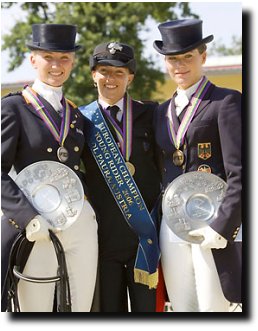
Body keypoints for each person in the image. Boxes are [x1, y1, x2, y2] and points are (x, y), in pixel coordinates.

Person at [1, 23, 98, 312]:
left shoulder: (76, 114)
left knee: (80, 308)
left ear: (73, 61)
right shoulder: (14, 108)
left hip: (77, 222)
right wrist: (27, 216)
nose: (57, 65)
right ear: (33, 60)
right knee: (36, 312)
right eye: (48, 57)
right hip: (37, 224)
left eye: (64, 57)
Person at [153, 19, 242, 312]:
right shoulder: (160, 112)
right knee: (182, 307)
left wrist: (224, 226)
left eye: (187, 57)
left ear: (203, 57)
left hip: (212, 222)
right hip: (173, 224)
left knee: (213, 307)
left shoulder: (225, 101)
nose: (179, 65)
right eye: (172, 59)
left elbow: (240, 171)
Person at [79, 42, 161, 312]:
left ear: (131, 77)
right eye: (104, 71)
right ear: (93, 75)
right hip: (103, 241)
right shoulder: (81, 120)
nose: (110, 79)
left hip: (145, 240)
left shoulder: (151, 114)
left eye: (119, 72)